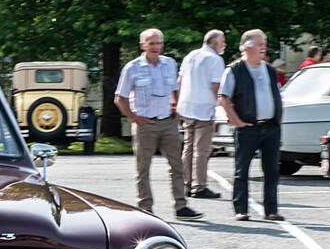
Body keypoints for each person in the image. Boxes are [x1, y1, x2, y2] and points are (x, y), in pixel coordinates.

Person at [114, 28, 203, 220]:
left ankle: (181, 207)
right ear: (143, 45)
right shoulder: (133, 67)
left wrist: (178, 107)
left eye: (158, 43)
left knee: (177, 166)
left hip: (168, 122)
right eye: (151, 43)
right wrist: (135, 118)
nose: (155, 47)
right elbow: (119, 98)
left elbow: (175, 90)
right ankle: (145, 206)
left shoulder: (169, 64)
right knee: (143, 168)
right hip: (145, 124)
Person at [218, 29, 285, 222]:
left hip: (271, 127)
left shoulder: (270, 70)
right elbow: (223, 97)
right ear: (247, 47)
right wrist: (237, 121)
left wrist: (279, 115)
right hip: (248, 127)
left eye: (264, 44)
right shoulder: (234, 70)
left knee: (272, 169)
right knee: (242, 170)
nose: (264, 47)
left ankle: (271, 210)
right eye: (260, 44)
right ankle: (241, 209)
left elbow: (278, 94)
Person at [176, 30, 225, 199]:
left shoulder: (190, 55)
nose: (224, 44)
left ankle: (186, 183)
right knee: (201, 150)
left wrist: (177, 103)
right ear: (214, 43)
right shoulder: (215, 59)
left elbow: (179, 81)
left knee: (188, 147)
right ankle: (200, 186)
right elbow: (215, 86)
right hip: (204, 107)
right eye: (222, 41)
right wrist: (221, 105)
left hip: (187, 106)